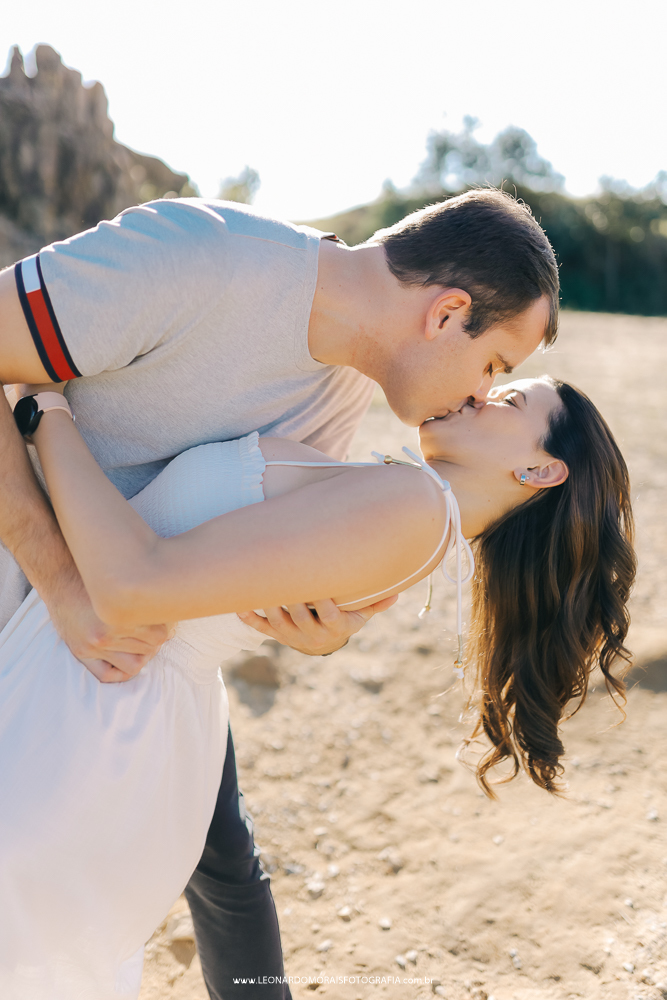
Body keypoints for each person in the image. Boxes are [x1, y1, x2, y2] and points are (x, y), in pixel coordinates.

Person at [0, 189, 559, 999]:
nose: (479, 394)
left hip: (120, 656)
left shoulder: (344, 384)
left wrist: (313, 621)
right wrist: (59, 580)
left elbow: (242, 552)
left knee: (221, 862)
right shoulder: (196, 255)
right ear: (445, 314)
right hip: (54, 610)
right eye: (494, 366)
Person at [0, 374, 634, 998]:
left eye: (510, 399)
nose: (477, 393)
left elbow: (133, 582)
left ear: (542, 471)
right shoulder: (405, 497)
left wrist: (45, 406)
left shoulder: (412, 512)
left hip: (94, 705)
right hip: (100, 681)